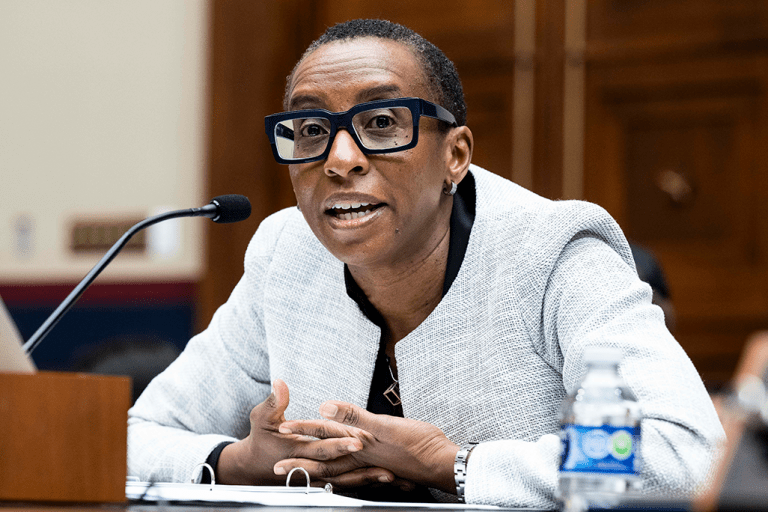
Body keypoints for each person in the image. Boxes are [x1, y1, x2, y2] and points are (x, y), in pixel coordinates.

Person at [128, 19, 724, 508]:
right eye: (310, 129)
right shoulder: (286, 254)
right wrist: (242, 462)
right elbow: (130, 439)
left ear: (455, 155)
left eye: (381, 123)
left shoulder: (556, 255)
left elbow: (678, 458)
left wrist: (453, 464)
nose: (339, 159)